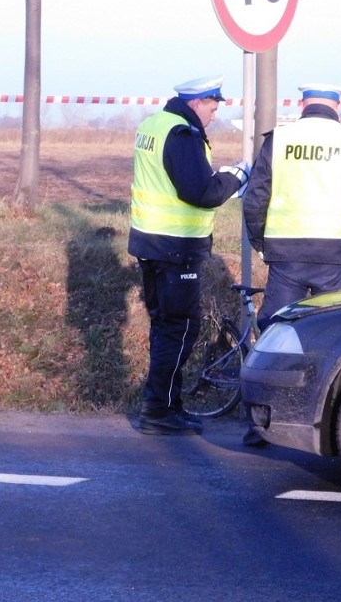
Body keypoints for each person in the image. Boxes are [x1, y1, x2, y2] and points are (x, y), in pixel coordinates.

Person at [241, 82, 341, 444]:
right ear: (338, 105)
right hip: (337, 258)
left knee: (277, 333)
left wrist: (261, 243)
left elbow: (255, 197)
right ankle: (333, 423)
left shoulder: (280, 140)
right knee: (338, 336)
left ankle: (263, 423)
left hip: (287, 254)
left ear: (302, 103)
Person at [129, 76, 249, 436]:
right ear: (198, 103)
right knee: (180, 329)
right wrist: (235, 177)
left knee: (166, 327)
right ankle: (158, 412)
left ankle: (167, 406)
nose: (214, 115)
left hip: (150, 243)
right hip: (175, 247)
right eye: (213, 108)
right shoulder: (182, 134)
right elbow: (201, 191)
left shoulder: (153, 124)